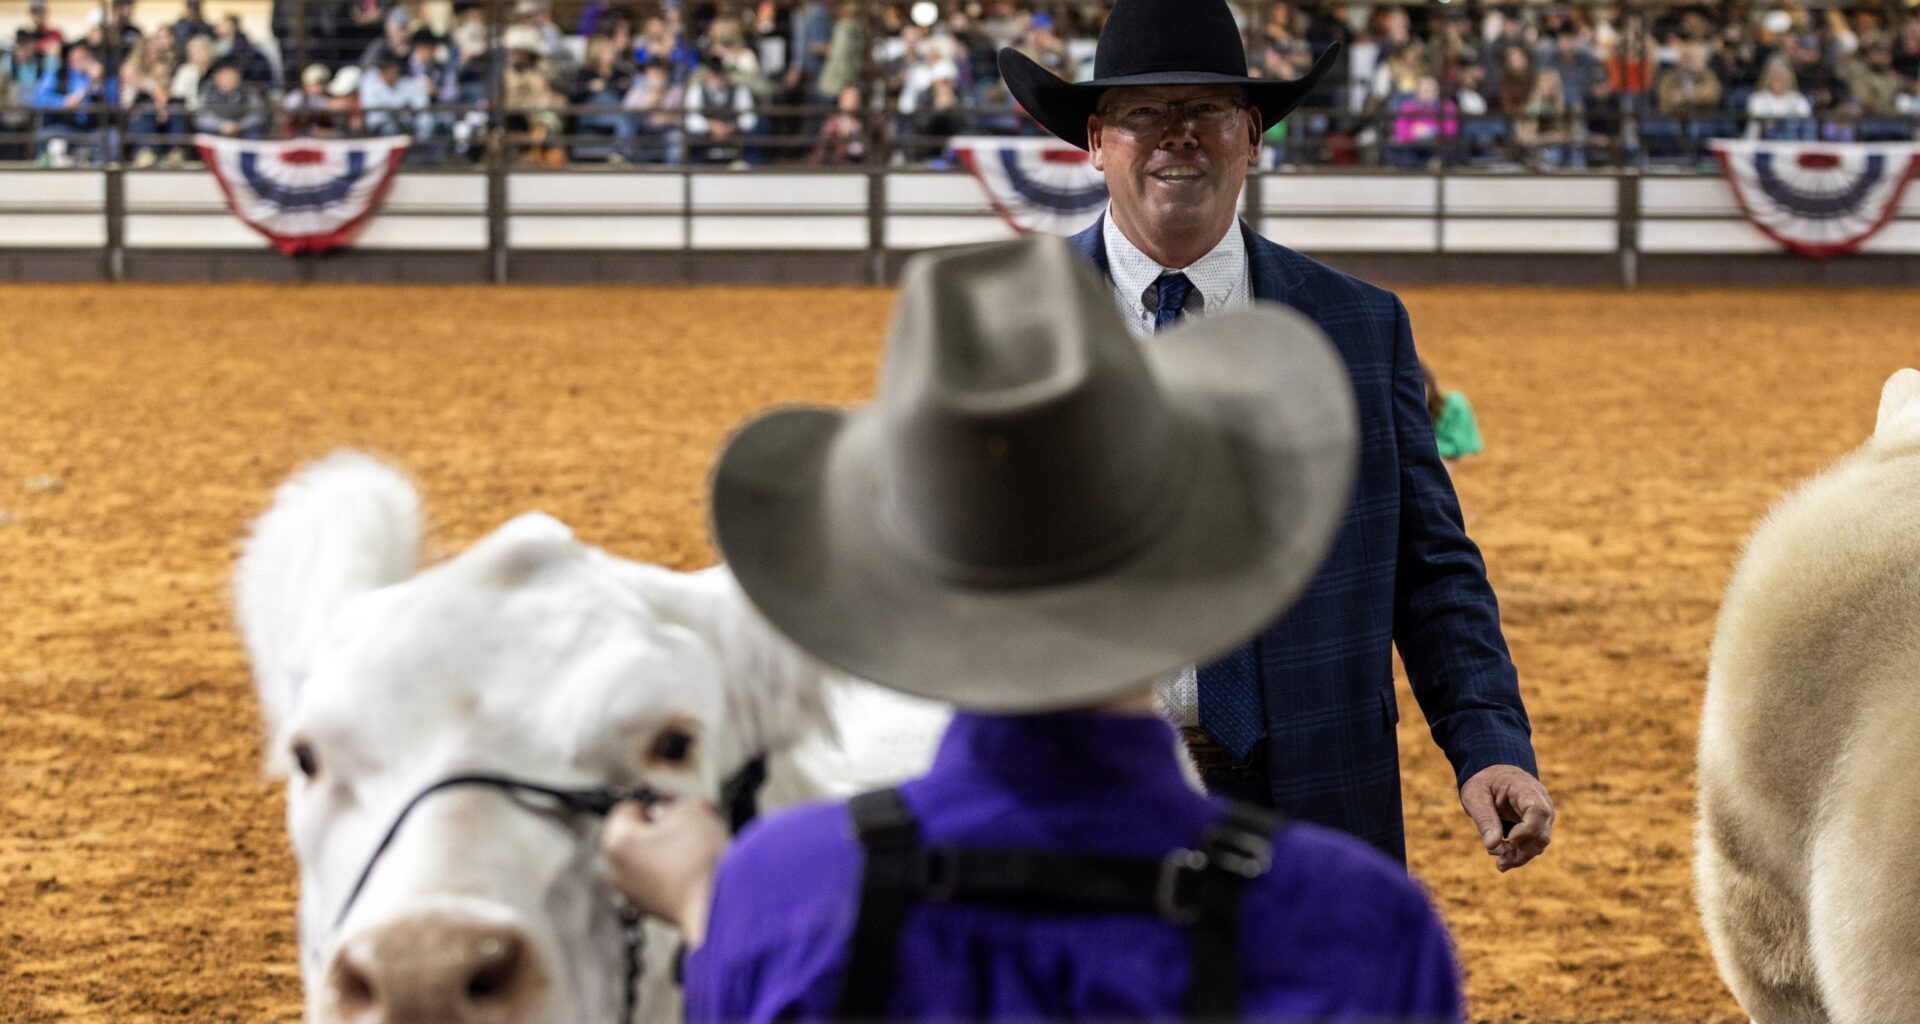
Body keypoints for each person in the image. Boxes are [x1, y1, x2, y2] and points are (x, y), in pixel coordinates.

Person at [604, 234, 1464, 1022]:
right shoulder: (1360, 927)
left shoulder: (780, 891)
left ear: (905, 581)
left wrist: (705, 913)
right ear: (1188, 557)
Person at [996, 0, 1553, 869]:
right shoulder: (1003, 327)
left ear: (1251, 134)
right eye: (1146, 112)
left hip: (1319, 799)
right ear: (1096, 140)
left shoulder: (1361, 328)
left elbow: (1431, 567)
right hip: (1076, 800)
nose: (1177, 135)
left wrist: (1489, 742)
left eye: (1206, 110)